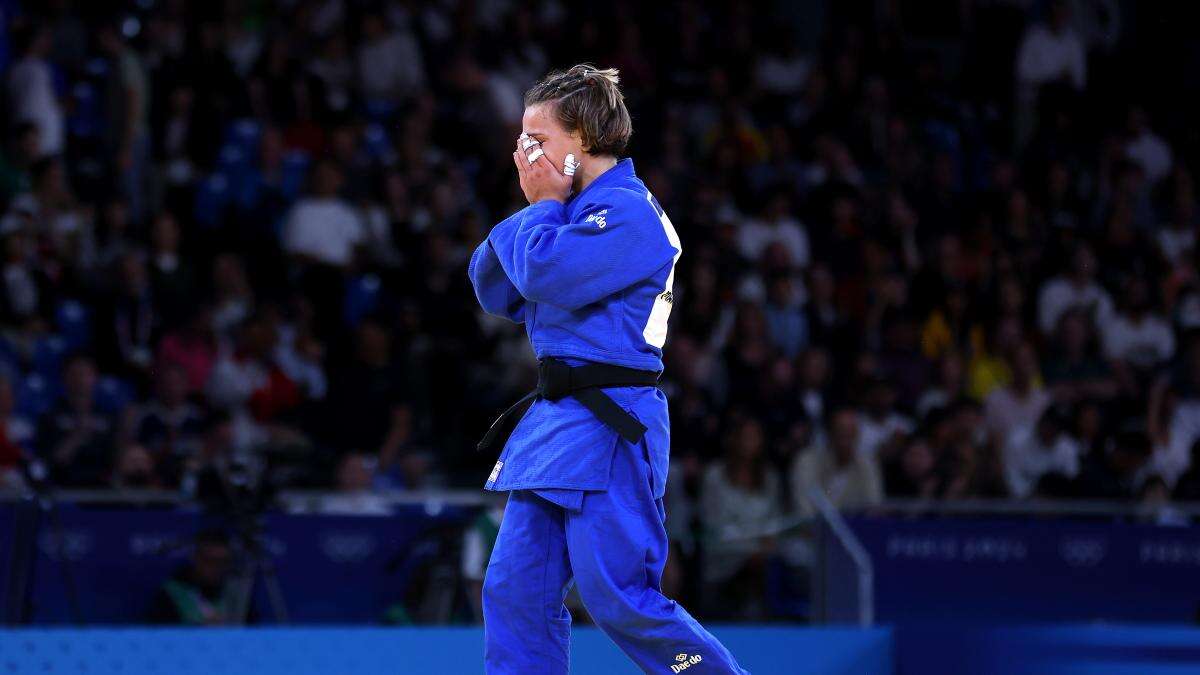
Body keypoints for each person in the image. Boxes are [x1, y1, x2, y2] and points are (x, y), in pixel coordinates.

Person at [468, 64, 747, 674]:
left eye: (538, 140)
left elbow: (541, 276)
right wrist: (543, 210)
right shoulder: (565, 211)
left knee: (617, 596)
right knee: (515, 591)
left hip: (613, 418)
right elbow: (493, 288)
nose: (524, 152)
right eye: (521, 140)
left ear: (585, 139)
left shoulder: (630, 213)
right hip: (554, 423)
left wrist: (541, 209)